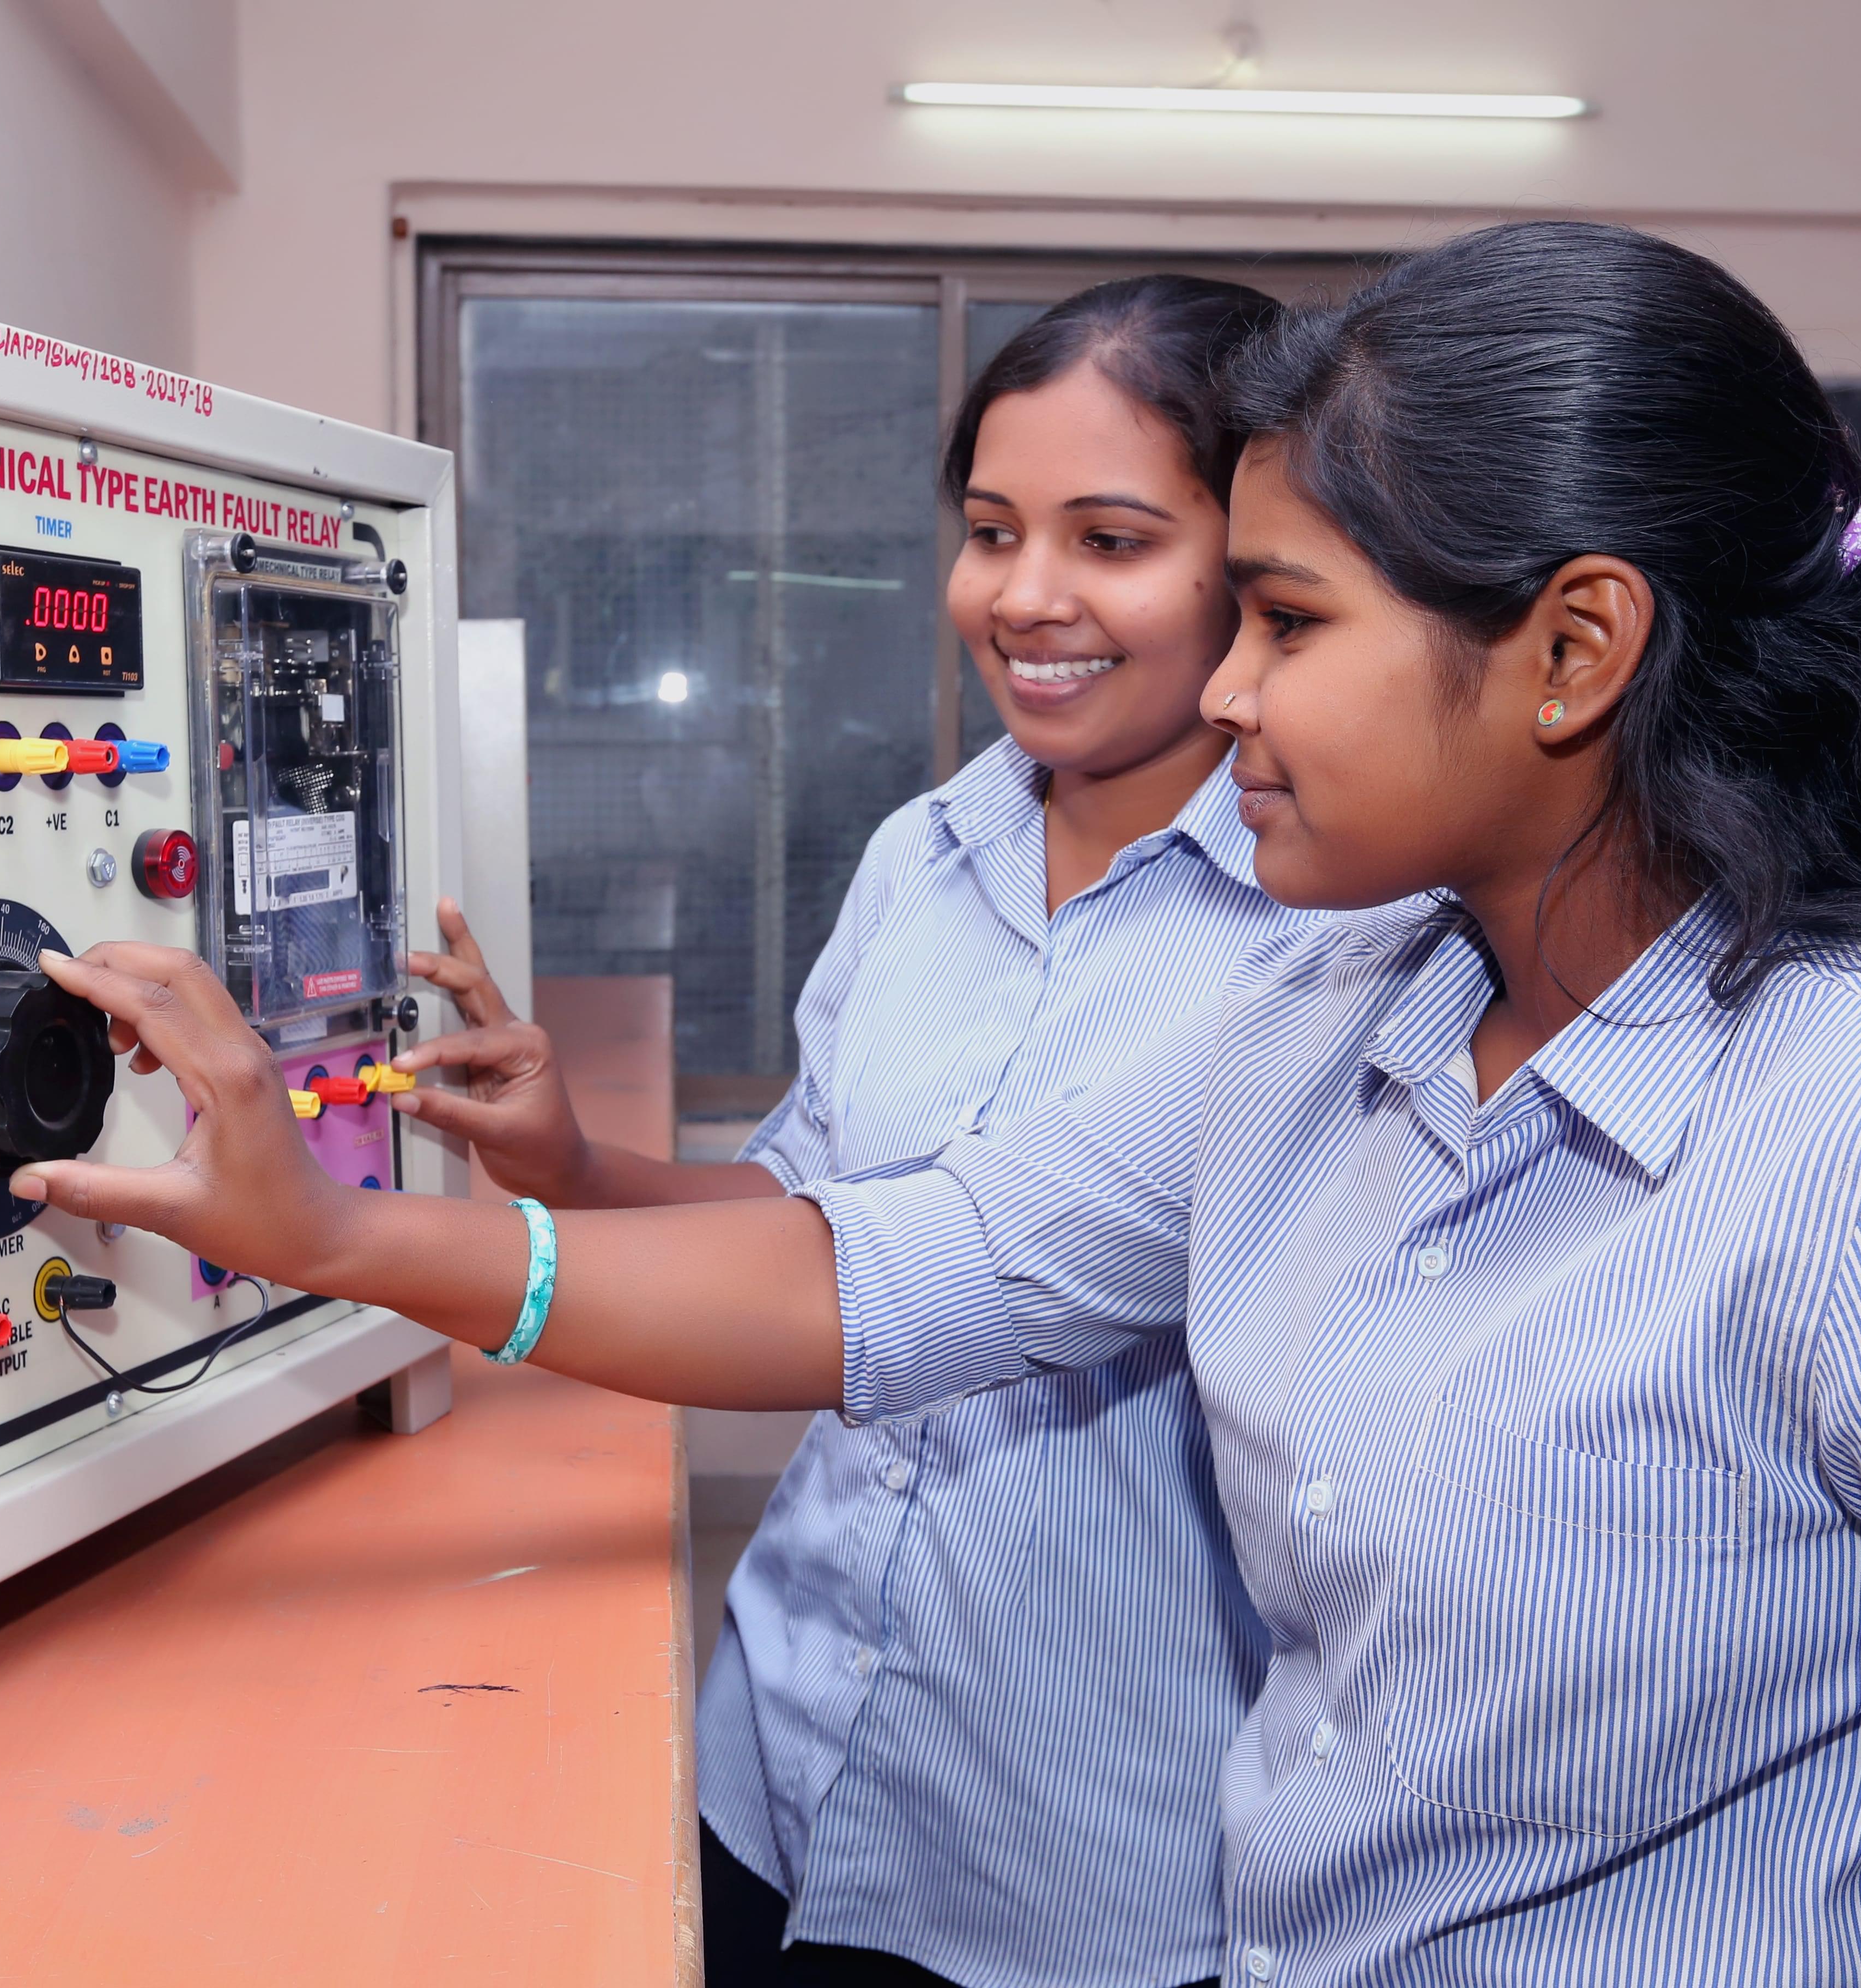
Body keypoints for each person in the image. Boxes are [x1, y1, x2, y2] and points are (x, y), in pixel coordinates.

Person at [15, 223, 1861, 1981]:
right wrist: (332, 1233)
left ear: (1576, 652)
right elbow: (896, 1261)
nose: (1218, 683)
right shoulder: (1333, 1023)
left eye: (1285, 621)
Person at [383, 275, 1302, 1988]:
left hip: (1070, 1867)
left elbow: (878, 1288)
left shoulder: (1326, 942)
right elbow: (807, 1206)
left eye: (1111, 539)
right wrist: (576, 1168)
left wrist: (327, 1232)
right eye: (989, 529)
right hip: (778, 1753)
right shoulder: (925, 852)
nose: (1027, 598)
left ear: (1258, 566)